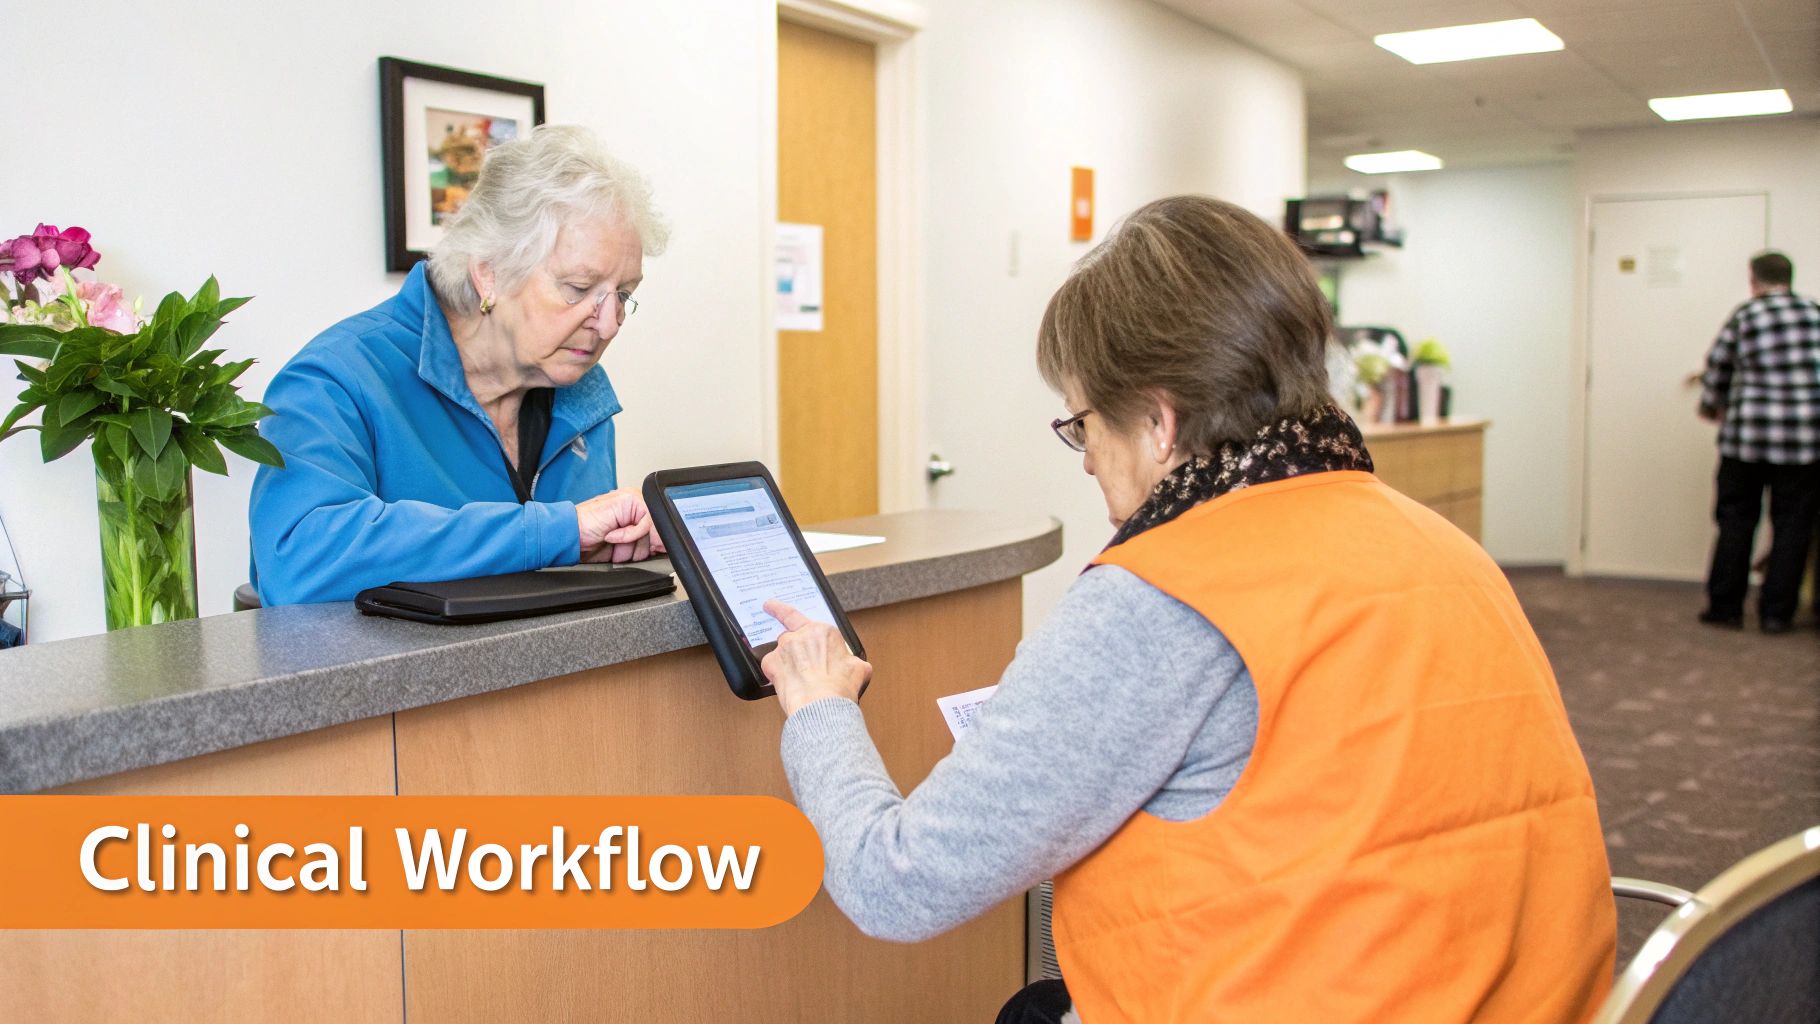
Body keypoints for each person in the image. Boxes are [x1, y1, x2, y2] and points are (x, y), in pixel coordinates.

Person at [761, 196, 1616, 1023]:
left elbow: (897, 883)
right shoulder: (1443, 547)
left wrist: (820, 708)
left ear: (1160, 425)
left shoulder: (1165, 593)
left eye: (1083, 423)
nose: (1087, 461)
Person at [249, 125, 667, 604]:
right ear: (488, 274)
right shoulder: (337, 378)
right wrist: (556, 531)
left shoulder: (579, 390)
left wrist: (629, 540)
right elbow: (299, 561)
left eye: (624, 295)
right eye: (578, 289)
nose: (609, 324)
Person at [1696, 251, 1820, 634]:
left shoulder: (1747, 315)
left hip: (1747, 439)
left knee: (1735, 520)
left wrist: (1710, 406)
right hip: (1804, 442)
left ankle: (1725, 608)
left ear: (1755, 280)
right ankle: (1776, 613)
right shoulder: (1816, 314)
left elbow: (1718, 366)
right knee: (1793, 526)